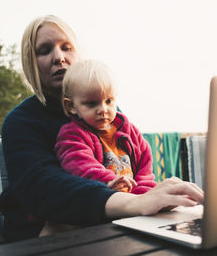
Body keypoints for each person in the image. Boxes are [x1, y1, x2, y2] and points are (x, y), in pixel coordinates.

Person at [0, 15, 203, 241]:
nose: (59, 57)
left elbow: (138, 160)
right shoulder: (22, 120)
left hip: (114, 219)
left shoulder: (111, 117)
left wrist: (152, 195)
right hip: (43, 231)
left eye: (67, 48)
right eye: (44, 50)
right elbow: (43, 186)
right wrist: (133, 202)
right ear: (30, 61)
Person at [55, 59, 157, 194]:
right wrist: (107, 181)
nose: (103, 109)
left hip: (136, 202)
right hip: (105, 204)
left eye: (108, 101)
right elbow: (80, 164)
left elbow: (145, 167)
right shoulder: (73, 135)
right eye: (92, 103)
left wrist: (143, 194)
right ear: (71, 106)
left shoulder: (131, 132)